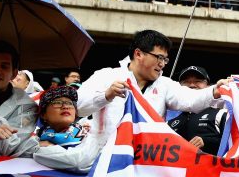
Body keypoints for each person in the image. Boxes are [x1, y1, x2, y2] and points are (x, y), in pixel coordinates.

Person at [76, 30, 228, 143]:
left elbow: (190, 99)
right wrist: (106, 95)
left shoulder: (165, 85)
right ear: (138, 54)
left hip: (146, 165)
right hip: (102, 160)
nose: (162, 64)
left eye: (165, 59)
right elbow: (79, 107)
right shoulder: (105, 76)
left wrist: (215, 91)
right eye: (159, 57)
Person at [32, 85, 101, 172]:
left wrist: (50, 146)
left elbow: (83, 161)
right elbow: (80, 162)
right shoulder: (36, 144)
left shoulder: (90, 131)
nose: (65, 106)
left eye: (70, 103)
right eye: (57, 103)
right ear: (43, 115)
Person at [167, 66, 228, 156]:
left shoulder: (221, 113)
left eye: (198, 81)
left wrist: (207, 142)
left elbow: (235, 145)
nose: (191, 85)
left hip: (210, 169)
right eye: (186, 82)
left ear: (208, 86)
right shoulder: (168, 121)